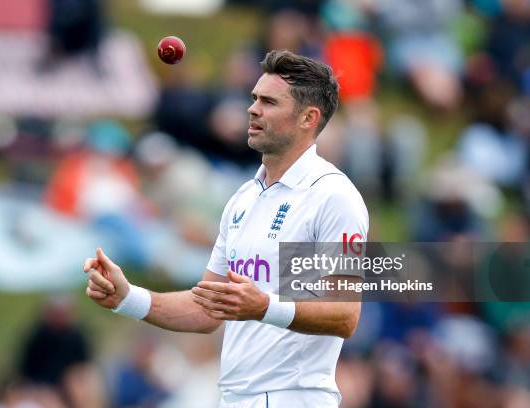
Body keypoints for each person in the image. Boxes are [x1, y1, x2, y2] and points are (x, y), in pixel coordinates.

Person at [84, 50, 369, 407]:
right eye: (254, 99)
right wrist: (128, 298)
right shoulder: (244, 199)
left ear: (308, 118)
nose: (252, 109)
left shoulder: (333, 197)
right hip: (235, 398)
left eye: (268, 102)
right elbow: (207, 309)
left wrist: (264, 306)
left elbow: (344, 314)